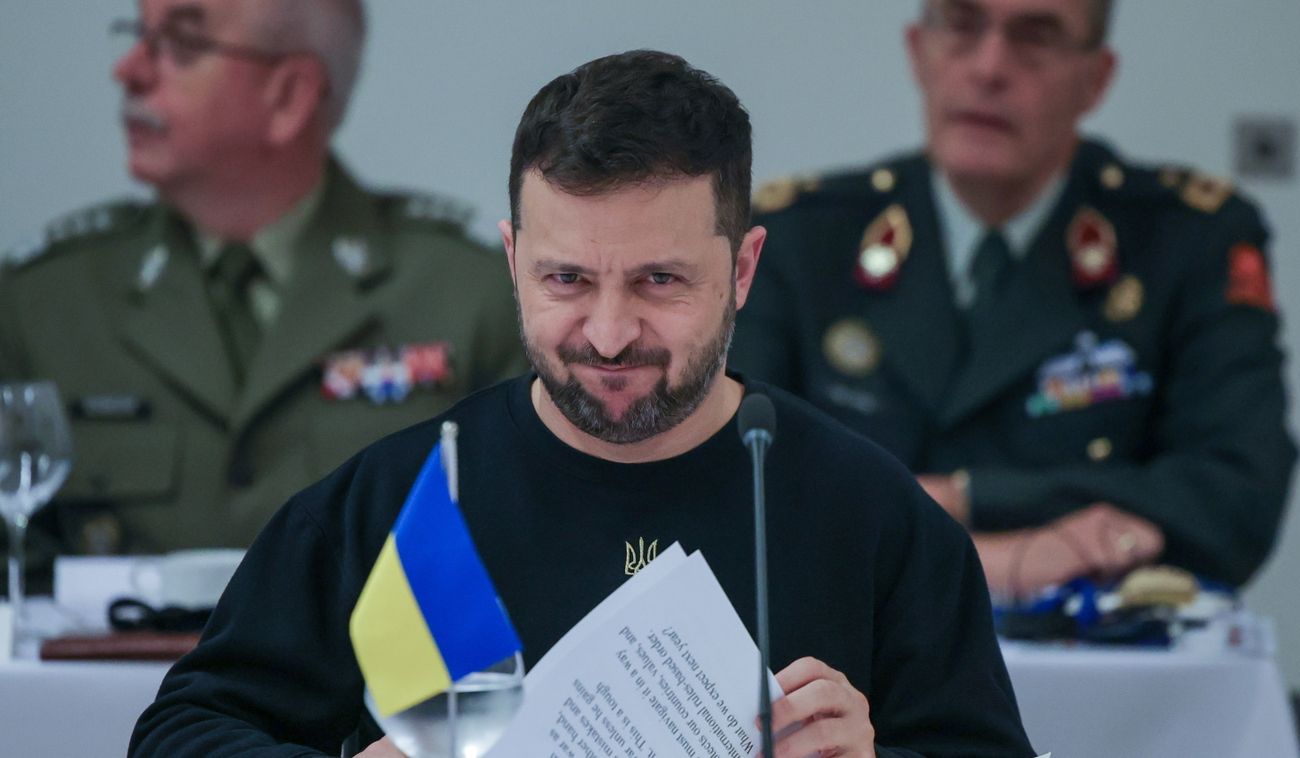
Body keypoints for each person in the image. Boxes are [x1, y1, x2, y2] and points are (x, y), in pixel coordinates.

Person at [129, 50, 1035, 758]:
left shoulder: (874, 517)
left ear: (744, 270)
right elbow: (179, 735)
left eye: (659, 281)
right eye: (566, 278)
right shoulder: (404, 499)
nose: (607, 334)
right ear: (512, 258)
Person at [730, 0, 1298, 596]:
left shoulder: (1186, 240)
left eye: (1036, 36)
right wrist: (1008, 558)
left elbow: (1238, 498)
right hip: (850, 666)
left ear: (1095, 79)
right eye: (962, 24)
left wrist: (966, 497)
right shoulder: (803, 238)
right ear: (918, 51)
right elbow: (739, 488)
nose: (989, 67)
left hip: (1102, 672)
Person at [0, 0, 523, 569]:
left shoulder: (474, 294)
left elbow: (523, 554)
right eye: (137, 35)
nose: (127, 69)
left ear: (289, 95)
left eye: (181, 43)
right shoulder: (40, 301)